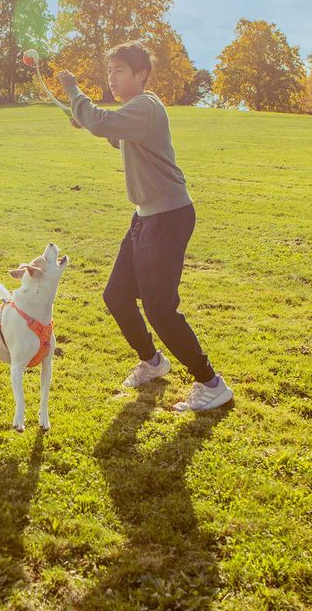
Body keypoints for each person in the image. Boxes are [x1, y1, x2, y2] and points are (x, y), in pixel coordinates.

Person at [56, 41, 233, 412]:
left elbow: (103, 121)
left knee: (160, 308)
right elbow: (114, 134)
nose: (113, 78)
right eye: (110, 71)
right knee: (116, 296)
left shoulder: (146, 106)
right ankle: (153, 363)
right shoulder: (135, 113)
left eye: (120, 71)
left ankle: (211, 384)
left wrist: (74, 91)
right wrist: (90, 122)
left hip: (168, 216)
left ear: (141, 74)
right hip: (146, 217)